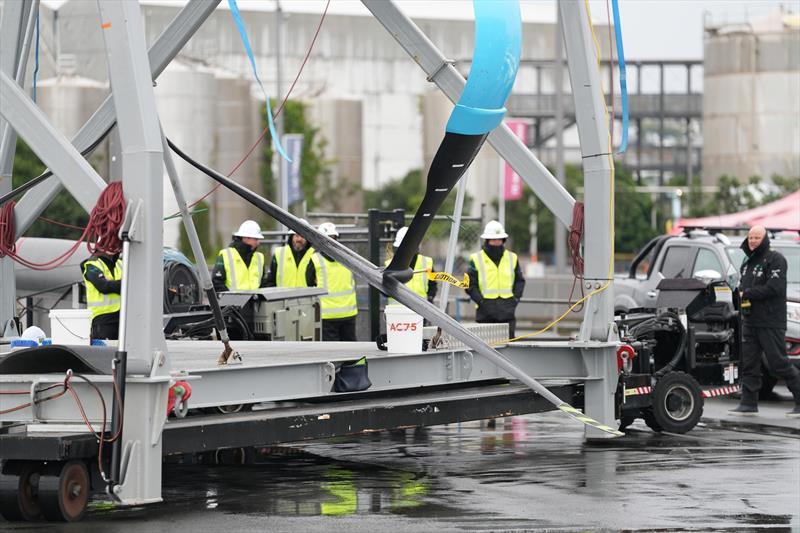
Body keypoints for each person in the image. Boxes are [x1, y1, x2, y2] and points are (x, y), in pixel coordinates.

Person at [730, 225, 800, 417]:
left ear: (765, 239)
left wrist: (747, 293)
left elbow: (774, 288)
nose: (753, 241)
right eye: (750, 237)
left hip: (771, 321)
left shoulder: (776, 259)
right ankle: (748, 403)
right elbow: (742, 287)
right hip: (750, 320)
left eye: (757, 237)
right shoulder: (747, 262)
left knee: (778, 363)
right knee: (750, 363)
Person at [465, 220, 525, 338]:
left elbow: (519, 281)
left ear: (503, 240)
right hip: (485, 312)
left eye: (499, 239)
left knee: (508, 346)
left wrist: (515, 299)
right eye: (493, 239)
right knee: (484, 346)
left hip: (507, 311)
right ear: (487, 240)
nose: (497, 242)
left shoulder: (512, 257)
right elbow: (469, 285)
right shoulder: (476, 258)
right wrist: (481, 302)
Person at [307, 222, 358, 341]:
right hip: (348, 313)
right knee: (351, 349)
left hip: (327, 315)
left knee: (332, 350)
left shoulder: (315, 259)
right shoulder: (348, 256)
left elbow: (309, 283)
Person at [385, 226, 438, 303]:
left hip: (420, 306)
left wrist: (430, 298)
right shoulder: (389, 264)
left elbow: (432, 285)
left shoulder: (426, 262)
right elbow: (385, 290)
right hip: (397, 308)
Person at [212, 220, 267, 292]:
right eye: (256, 239)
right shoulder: (226, 255)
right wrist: (230, 297)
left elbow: (263, 283)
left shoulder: (260, 257)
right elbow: (217, 282)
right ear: (246, 238)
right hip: (232, 299)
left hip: (255, 299)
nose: (258, 242)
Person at [81, 250, 122, 340]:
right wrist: (124, 284)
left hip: (123, 317)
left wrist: (113, 283)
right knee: (105, 348)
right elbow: (103, 286)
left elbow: (136, 283)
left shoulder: (121, 263)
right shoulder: (92, 265)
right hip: (102, 319)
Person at [265, 221, 314, 288]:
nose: (299, 239)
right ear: (291, 237)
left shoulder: (314, 255)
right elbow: (271, 280)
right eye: (296, 235)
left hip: (307, 295)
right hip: (283, 294)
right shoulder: (279, 253)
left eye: (303, 236)